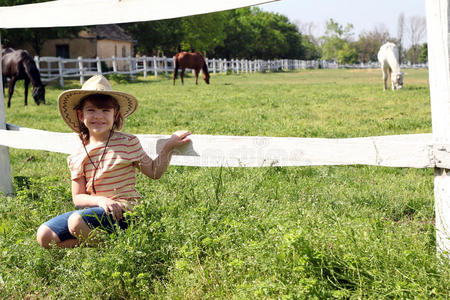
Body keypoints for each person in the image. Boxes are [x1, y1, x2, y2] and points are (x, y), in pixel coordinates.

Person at [36, 75, 190, 248]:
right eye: (91, 110)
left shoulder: (127, 143)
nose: (98, 116)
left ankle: (113, 248)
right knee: (44, 235)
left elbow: (154, 172)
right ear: (81, 115)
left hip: (125, 211)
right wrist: (101, 201)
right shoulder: (78, 154)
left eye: (105, 111)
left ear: (115, 115)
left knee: (76, 221)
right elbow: (77, 197)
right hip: (96, 208)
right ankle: (98, 242)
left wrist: (168, 147)